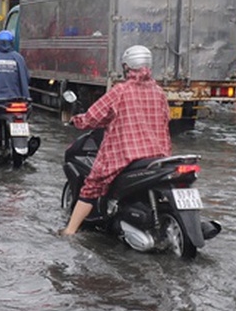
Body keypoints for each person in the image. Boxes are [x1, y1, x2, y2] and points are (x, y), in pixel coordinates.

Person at [60, 45, 172, 236]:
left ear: (127, 68)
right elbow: (166, 118)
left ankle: (69, 231)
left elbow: (93, 117)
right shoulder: (159, 92)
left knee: (92, 185)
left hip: (127, 155)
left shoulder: (120, 91)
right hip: (159, 155)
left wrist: (75, 120)